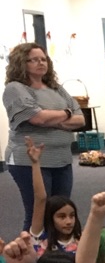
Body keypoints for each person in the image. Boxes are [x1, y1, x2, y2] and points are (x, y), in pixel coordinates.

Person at [4, 44, 85, 228]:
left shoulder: (56, 88)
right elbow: (38, 118)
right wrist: (65, 113)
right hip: (30, 161)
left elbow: (80, 119)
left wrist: (52, 118)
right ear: (21, 63)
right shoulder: (15, 88)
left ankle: (56, 255)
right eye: (33, 59)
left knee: (60, 212)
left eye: (43, 59)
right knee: (37, 213)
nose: (40, 63)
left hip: (62, 160)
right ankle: (32, 256)